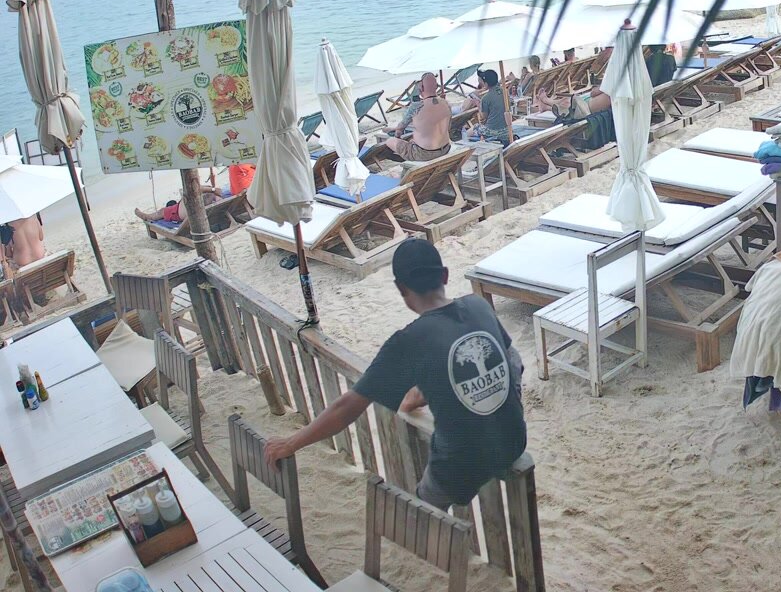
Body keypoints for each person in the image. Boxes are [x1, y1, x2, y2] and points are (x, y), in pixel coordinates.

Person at [264, 239, 527, 510]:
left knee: (426, 510)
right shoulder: (478, 306)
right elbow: (514, 364)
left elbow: (346, 408)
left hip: (460, 465)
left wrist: (290, 444)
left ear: (401, 288)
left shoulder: (409, 341)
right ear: (445, 275)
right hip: (513, 442)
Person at [386, 73, 453, 162]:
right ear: (436, 86)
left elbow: (400, 129)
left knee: (390, 141)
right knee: (414, 139)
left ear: (421, 88)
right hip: (445, 148)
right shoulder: (446, 104)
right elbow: (448, 127)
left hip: (423, 154)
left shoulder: (416, 106)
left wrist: (397, 136)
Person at [134, 186, 222, 225]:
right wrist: (212, 190)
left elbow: (192, 188)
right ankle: (146, 216)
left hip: (188, 211)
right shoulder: (215, 197)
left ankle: (146, 216)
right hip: (199, 208)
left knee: (161, 211)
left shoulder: (173, 209)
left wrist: (212, 189)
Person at [472, 69, 511, 145]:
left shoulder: (486, 98)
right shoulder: (505, 92)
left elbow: (483, 118)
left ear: (486, 84)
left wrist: (478, 105)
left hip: (492, 132)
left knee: (475, 127)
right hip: (506, 129)